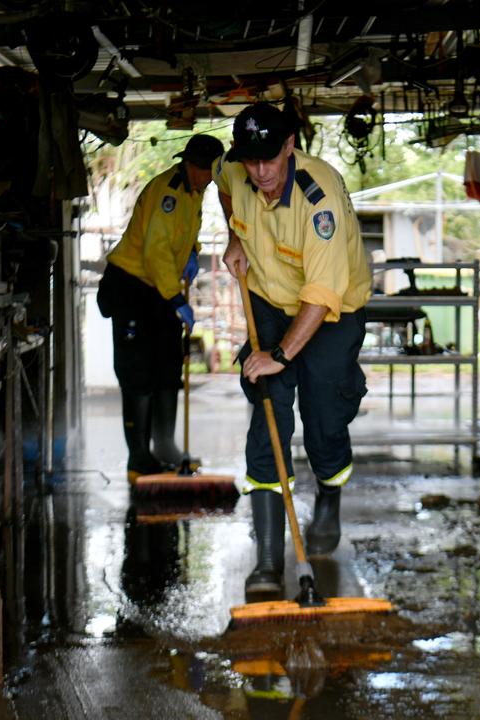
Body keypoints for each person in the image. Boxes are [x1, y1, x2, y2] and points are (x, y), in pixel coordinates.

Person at [217, 102, 371, 594]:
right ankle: (266, 561)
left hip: (331, 312)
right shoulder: (237, 169)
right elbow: (224, 185)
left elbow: (321, 296)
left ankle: (329, 491)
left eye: (270, 159)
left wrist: (280, 355)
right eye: (251, 160)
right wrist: (233, 235)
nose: (260, 172)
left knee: (324, 412)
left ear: (290, 146)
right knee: (268, 414)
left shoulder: (317, 196)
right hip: (268, 297)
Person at [97, 134, 225, 481]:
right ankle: (139, 458)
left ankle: (165, 446)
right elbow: (155, 250)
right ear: (189, 165)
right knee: (138, 374)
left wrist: (193, 252)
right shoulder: (167, 192)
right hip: (133, 286)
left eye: (211, 171)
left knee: (168, 366)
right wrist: (177, 299)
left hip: (160, 288)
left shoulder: (194, 192)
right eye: (203, 171)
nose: (207, 178)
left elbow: (181, 234)